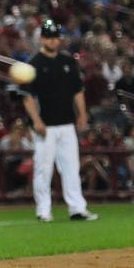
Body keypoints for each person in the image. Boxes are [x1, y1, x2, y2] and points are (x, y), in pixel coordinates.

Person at [23, 19, 98, 222]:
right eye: (49, 37)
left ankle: (77, 208)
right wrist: (36, 121)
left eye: (55, 37)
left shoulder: (67, 61)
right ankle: (43, 210)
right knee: (43, 169)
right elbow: (28, 97)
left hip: (66, 123)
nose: (52, 40)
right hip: (45, 126)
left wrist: (82, 114)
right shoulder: (33, 64)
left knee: (71, 167)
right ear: (42, 39)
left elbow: (77, 91)